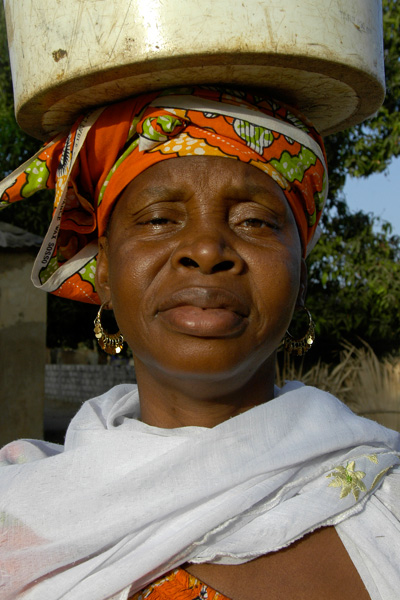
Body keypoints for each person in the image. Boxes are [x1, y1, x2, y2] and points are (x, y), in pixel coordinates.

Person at [0, 87, 399, 600]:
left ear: (301, 278)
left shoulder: (383, 502)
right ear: (103, 270)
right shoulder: (24, 519)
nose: (207, 249)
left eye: (254, 221)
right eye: (159, 219)